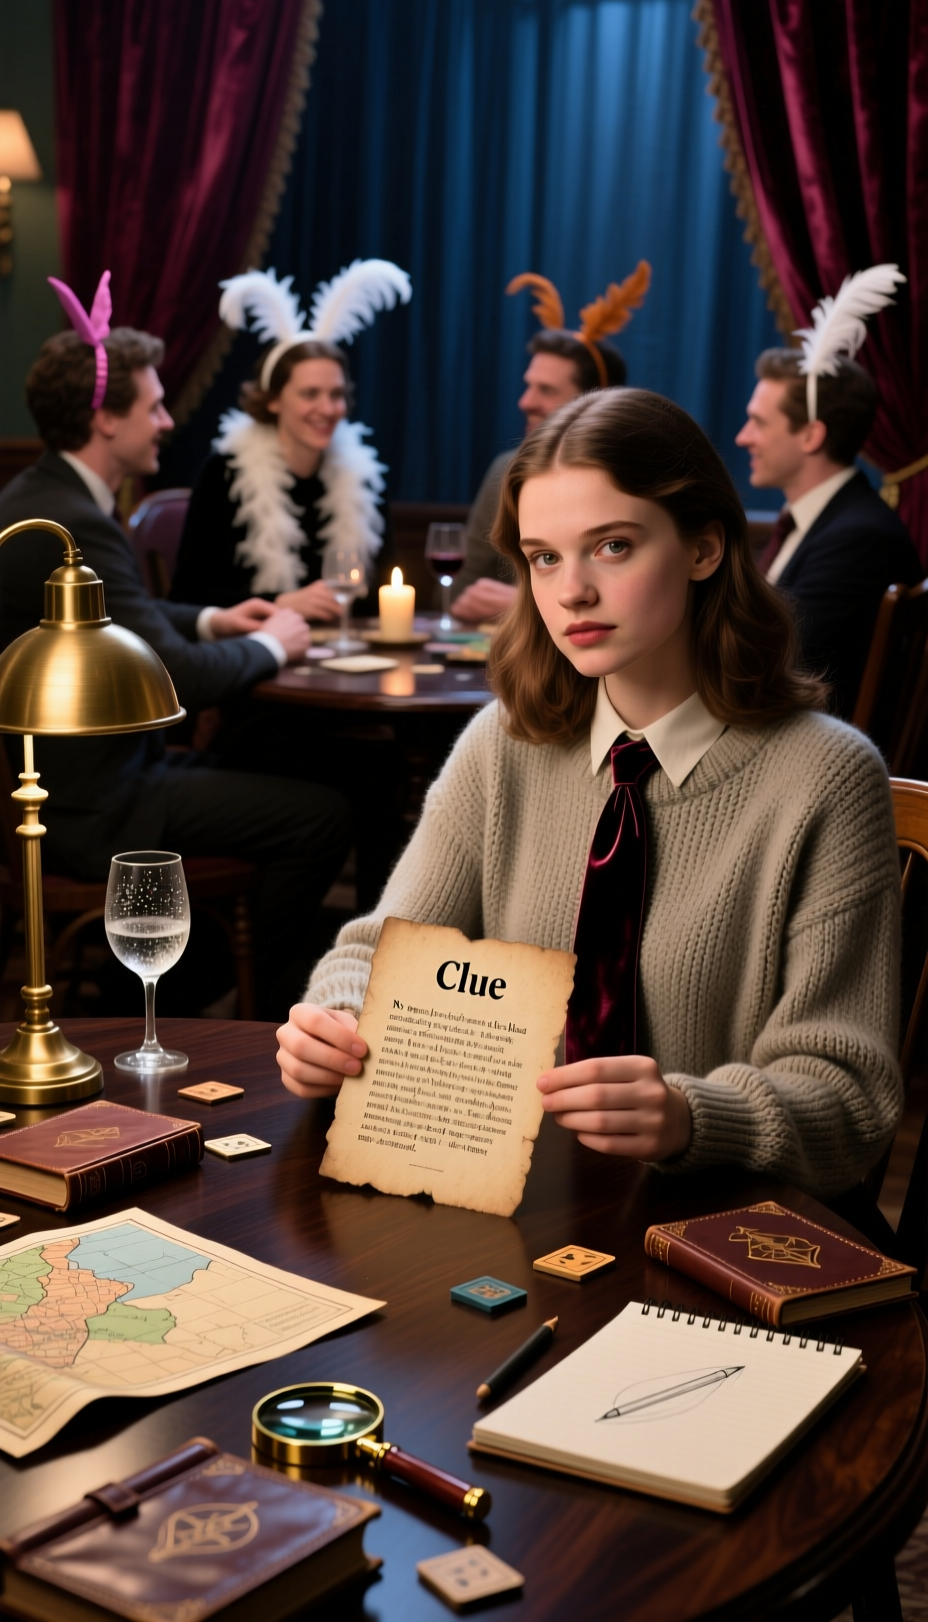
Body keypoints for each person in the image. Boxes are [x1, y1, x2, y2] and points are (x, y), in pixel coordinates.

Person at [278, 386, 903, 1199]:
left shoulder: (826, 777)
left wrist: (690, 1116)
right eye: (544, 557)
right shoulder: (502, 744)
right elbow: (373, 953)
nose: (571, 590)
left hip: (713, 1222)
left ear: (705, 547)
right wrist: (334, 1022)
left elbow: (851, 1102)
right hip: (514, 1208)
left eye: (612, 546)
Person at [0, 275, 351, 1018]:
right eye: (154, 406)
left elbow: (127, 621)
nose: (166, 421)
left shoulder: (49, 496)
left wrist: (216, 620)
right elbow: (172, 675)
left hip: (91, 778)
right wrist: (275, 643)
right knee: (321, 816)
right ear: (105, 418)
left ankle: (177, 984)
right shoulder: (71, 521)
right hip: (92, 803)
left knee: (287, 766)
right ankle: (205, 1001)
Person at [170, 261, 411, 615]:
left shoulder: (363, 478)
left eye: (336, 394)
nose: (327, 408)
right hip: (253, 645)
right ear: (272, 400)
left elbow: (379, 597)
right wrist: (280, 603)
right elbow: (186, 598)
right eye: (310, 394)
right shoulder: (224, 473)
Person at [736, 269, 922, 719]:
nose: (743, 437)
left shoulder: (858, 539)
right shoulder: (821, 522)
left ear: (811, 435)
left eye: (759, 422)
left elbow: (777, 664)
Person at [450, 264, 649, 624]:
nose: (525, 402)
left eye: (546, 390)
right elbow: (456, 593)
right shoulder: (505, 472)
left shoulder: (641, 480)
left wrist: (525, 603)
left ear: (594, 401)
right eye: (528, 386)